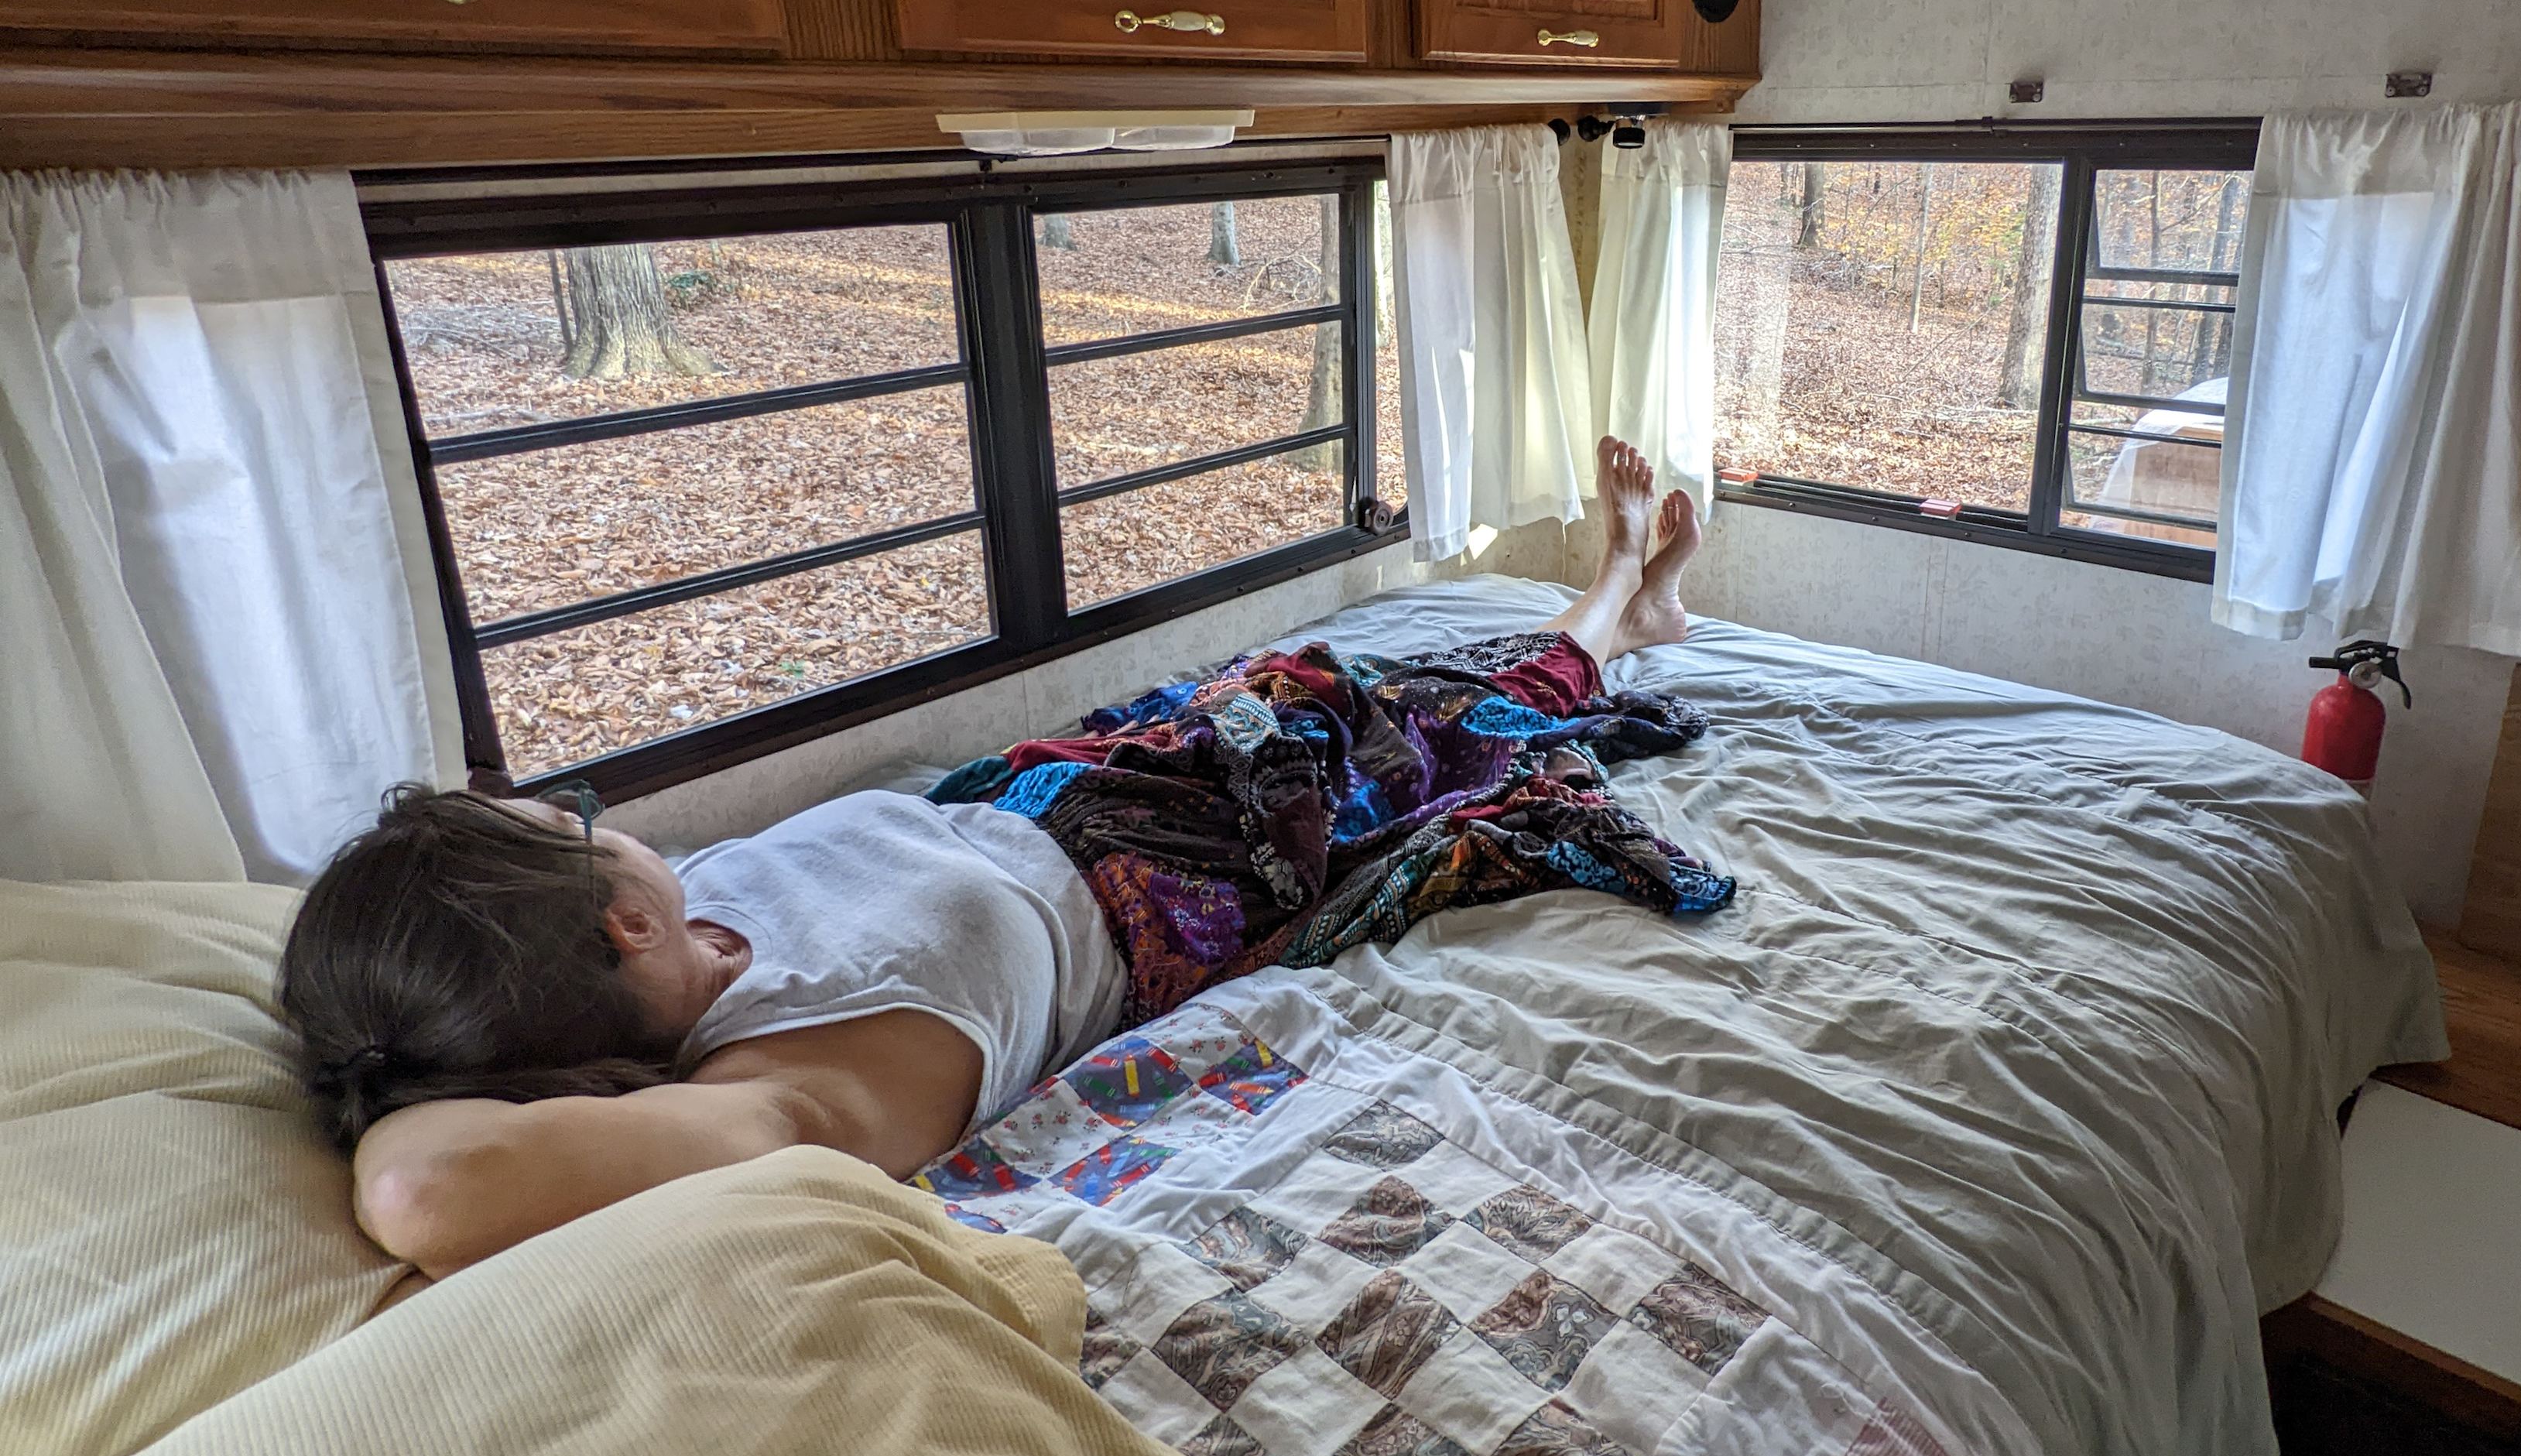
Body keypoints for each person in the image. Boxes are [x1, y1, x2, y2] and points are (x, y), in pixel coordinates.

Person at [283, 440, 1708, 1281]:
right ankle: (1608, 613)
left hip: (1031, 790)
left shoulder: (665, 939)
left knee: (1302, 674)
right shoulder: (789, 1088)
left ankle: (1616, 614)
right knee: (1391, 728)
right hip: (1160, 870)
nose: (618, 826)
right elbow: (427, 1188)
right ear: (616, 931)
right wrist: (397, 1088)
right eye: (588, 831)